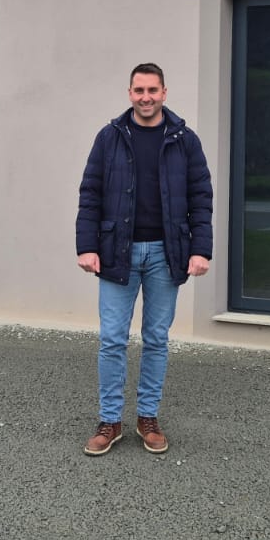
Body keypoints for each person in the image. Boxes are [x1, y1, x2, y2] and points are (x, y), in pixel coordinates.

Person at [75, 63, 213, 456]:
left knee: (156, 340)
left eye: (153, 90)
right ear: (129, 92)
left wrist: (201, 249)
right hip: (117, 252)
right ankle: (110, 420)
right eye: (139, 90)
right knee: (112, 340)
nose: (146, 97)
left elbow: (201, 198)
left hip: (166, 255)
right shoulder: (110, 137)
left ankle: (148, 417)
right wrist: (86, 246)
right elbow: (91, 194)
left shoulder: (185, 140)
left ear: (165, 93)